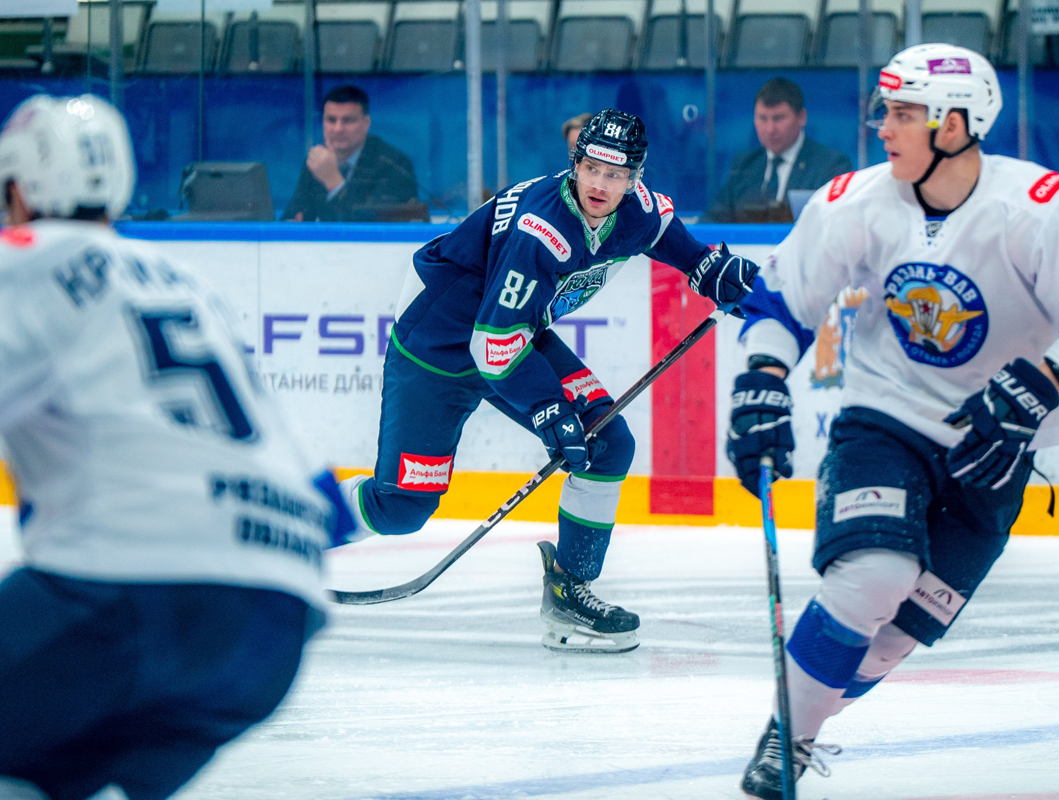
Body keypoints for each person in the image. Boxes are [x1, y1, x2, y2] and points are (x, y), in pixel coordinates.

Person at [725, 44, 1059, 798]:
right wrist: (762, 378)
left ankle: (801, 716)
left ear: (954, 124)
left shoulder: (1049, 207)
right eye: (884, 111)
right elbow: (783, 300)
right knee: (872, 577)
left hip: (996, 447)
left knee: (897, 636)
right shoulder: (856, 201)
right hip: (885, 419)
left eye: (902, 113)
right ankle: (791, 740)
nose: (883, 128)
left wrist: (1041, 382)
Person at [0, 94, 353, 799]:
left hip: (121, 592)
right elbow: (329, 506)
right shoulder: (188, 283)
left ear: (20, 192)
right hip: (272, 627)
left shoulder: (21, 260)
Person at [338, 109, 759, 654]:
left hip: (513, 333)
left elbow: (668, 236)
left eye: (615, 174)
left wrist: (711, 270)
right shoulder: (541, 229)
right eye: (591, 169)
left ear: (635, 177)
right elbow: (492, 346)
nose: (600, 185)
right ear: (574, 164)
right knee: (400, 510)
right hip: (436, 346)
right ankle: (291, 524)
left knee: (606, 443)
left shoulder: (636, 209)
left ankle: (568, 591)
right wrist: (546, 407)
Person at [704, 78, 852, 223]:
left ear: (801, 117)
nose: (770, 129)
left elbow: (838, 224)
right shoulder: (745, 164)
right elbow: (713, 220)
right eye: (762, 118)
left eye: (778, 118)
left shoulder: (831, 165)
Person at [283, 84, 420, 222]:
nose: (338, 129)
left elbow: (377, 224)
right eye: (331, 120)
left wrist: (334, 183)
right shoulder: (318, 160)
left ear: (366, 123)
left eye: (348, 120)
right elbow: (293, 214)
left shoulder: (393, 163)